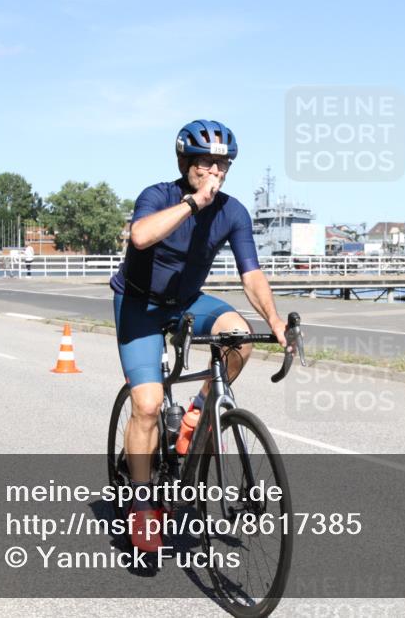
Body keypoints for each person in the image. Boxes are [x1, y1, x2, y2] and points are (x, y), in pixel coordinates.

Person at [110, 119, 287, 553]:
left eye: (222, 163)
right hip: (139, 304)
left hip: (187, 301)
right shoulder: (159, 196)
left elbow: (252, 275)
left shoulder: (233, 212)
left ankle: (197, 414)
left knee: (240, 336)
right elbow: (141, 236)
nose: (214, 171)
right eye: (205, 162)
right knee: (148, 407)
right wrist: (193, 204)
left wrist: (276, 319)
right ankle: (141, 502)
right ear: (185, 163)